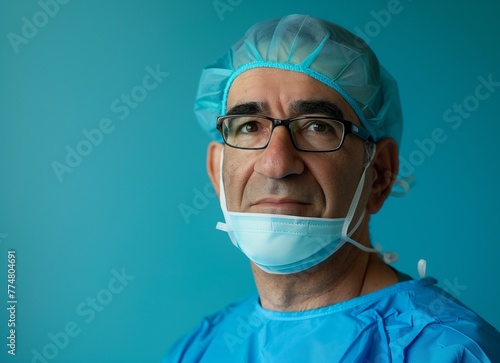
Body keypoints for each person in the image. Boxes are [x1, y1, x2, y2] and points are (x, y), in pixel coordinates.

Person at [164, 14, 500, 362]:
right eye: (249, 126)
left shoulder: (450, 351)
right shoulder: (199, 350)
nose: (276, 164)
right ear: (217, 170)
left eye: (317, 126)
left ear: (380, 173)